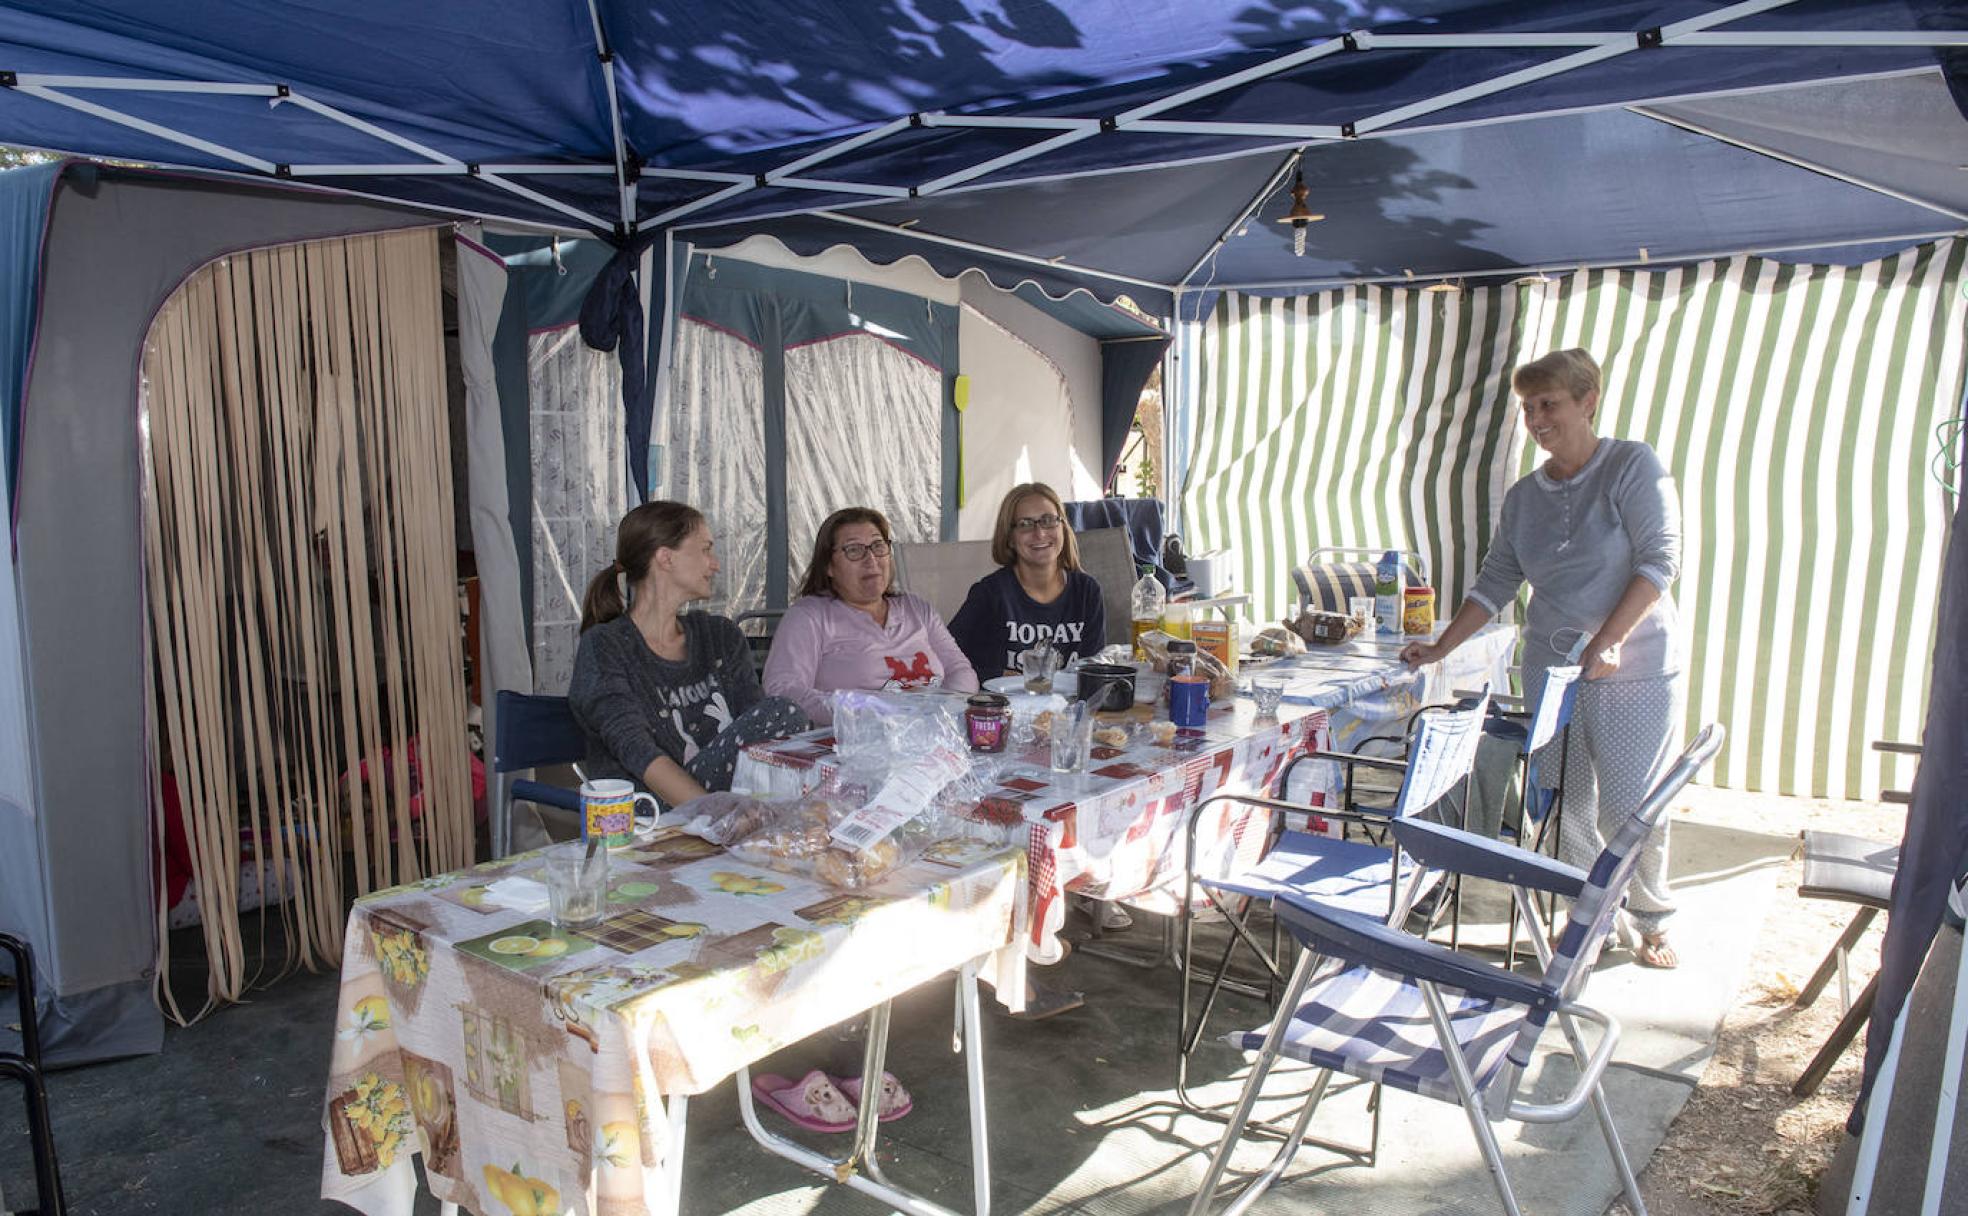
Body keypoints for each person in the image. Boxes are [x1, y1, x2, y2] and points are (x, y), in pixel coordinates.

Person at [1401, 348, 1684, 969]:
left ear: (1588, 401)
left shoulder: (1633, 466)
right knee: (1562, 801)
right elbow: (1497, 579)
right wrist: (1443, 646)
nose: (1536, 419)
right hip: (1551, 669)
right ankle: (1592, 919)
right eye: (1528, 408)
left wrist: (1609, 639)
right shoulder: (1526, 495)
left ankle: (1652, 914)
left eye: (1548, 404)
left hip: (1632, 666)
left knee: (1632, 805)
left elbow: (1659, 561)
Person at [567, 501, 807, 807]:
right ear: (665, 557)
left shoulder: (720, 636)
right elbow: (636, 751)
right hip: (650, 812)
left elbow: (759, 739)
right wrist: (720, 816)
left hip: (731, 803)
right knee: (783, 711)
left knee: (784, 720)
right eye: (706, 549)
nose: (715, 563)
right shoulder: (605, 646)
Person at [764, 506, 978, 723]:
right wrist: (865, 712)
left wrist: (938, 710)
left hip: (932, 735)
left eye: (878, 546)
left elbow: (961, 671)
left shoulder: (917, 609)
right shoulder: (808, 617)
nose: (871, 560)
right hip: (854, 745)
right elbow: (783, 690)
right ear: (829, 565)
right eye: (854, 550)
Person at [948, 482, 1107, 679]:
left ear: (1063, 528)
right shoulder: (990, 593)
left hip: (1071, 707)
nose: (1039, 533)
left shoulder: (1087, 592)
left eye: (1048, 520)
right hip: (1003, 706)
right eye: (1025, 524)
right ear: (1010, 538)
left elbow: (1093, 671)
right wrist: (995, 675)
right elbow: (944, 657)